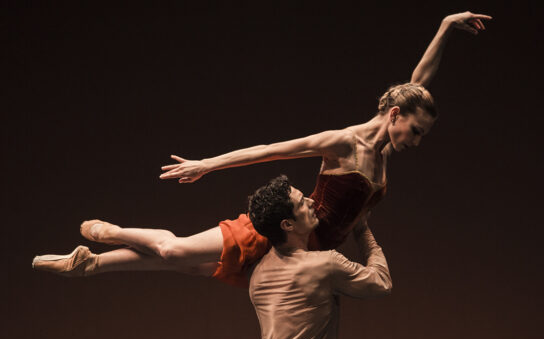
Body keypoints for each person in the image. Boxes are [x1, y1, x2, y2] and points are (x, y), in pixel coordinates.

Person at [32, 12, 492, 286]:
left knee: (191, 268)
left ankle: (89, 264)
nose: (415, 142)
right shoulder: (344, 143)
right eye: (414, 131)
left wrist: (446, 26)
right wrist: (207, 165)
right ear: (394, 116)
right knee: (175, 254)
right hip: (282, 232)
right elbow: (270, 149)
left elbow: (417, 82)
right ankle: (108, 234)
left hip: (302, 255)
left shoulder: (386, 149)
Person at [243, 175, 391, 339]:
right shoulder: (324, 265)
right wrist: (362, 229)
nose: (312, 201)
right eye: (302, 202)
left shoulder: (259, 270)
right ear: (287, 224)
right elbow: (381, 282)